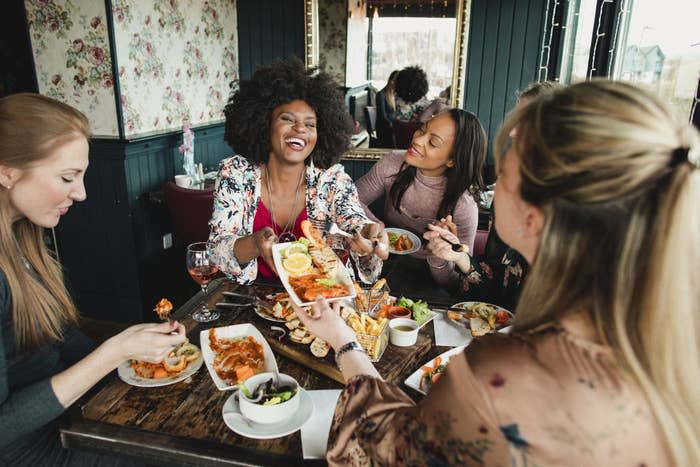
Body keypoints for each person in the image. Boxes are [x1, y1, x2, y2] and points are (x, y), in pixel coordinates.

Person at [292, 80, 700, 465]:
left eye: (503, 172)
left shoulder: (499, 380)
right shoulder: (676, 358)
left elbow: (387, 447)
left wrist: (345, 343)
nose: (488, 184)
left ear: (533, 217)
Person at [0, 93, 186, 466]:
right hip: (32, 450)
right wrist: (111, 354)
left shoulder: (22, 240)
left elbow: (56, 337)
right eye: (67, 177)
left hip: (66, 419)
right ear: (6, 172)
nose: (82, 193)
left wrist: (135, 355)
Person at [209, 58, 388, 284]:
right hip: (254, 300)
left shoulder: (332, 179)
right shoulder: (235, 174)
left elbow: (353, 220)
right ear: (265, 124)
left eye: (310, 124)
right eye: (287, 119)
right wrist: (255, 244)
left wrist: (368, 235)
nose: (300, 129)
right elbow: (217, 250)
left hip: (323, 300)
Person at [424, 81, 561, 309]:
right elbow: (493, 281)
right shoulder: (508, 192)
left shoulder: (575, 214)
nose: (513, 131)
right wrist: (458, 255)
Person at [356, 109, 487, 287]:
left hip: (429, 281)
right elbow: (352, 199)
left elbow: (457, 283)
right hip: (381, 258)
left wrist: (438, 254)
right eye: (422, 130)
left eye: (432, 142)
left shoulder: (464, 205)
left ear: (452, 160)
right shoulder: (393, 164)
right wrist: (374, 224)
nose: (417, 140)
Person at [375, 70, 399, 147]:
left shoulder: (395, 94)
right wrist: (393, 125)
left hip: (393, 126)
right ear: (392, 81)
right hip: (384, 129)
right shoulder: (381, 94)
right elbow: (382, 116)